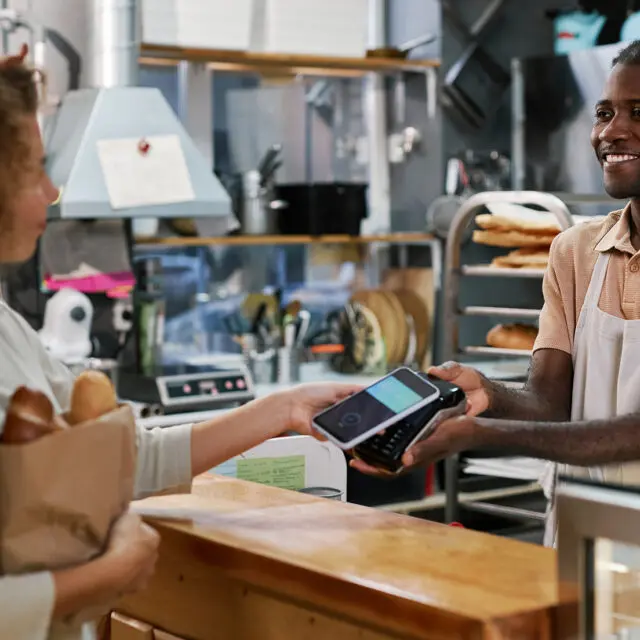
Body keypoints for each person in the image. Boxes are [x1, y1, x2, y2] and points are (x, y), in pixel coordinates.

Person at [0, 48, 361, 639]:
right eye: (33, 169)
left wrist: (281, 410)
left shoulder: (7, 328)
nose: (52, 191)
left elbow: (124, 457)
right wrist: (106, 576)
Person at [353, 38, 640, 548]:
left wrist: (481, 435)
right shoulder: (575, 252)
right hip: (585, 536)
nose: (611, 131)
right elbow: (550, 401)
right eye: (604, 112)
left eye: (638, 113)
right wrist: (483, 392)